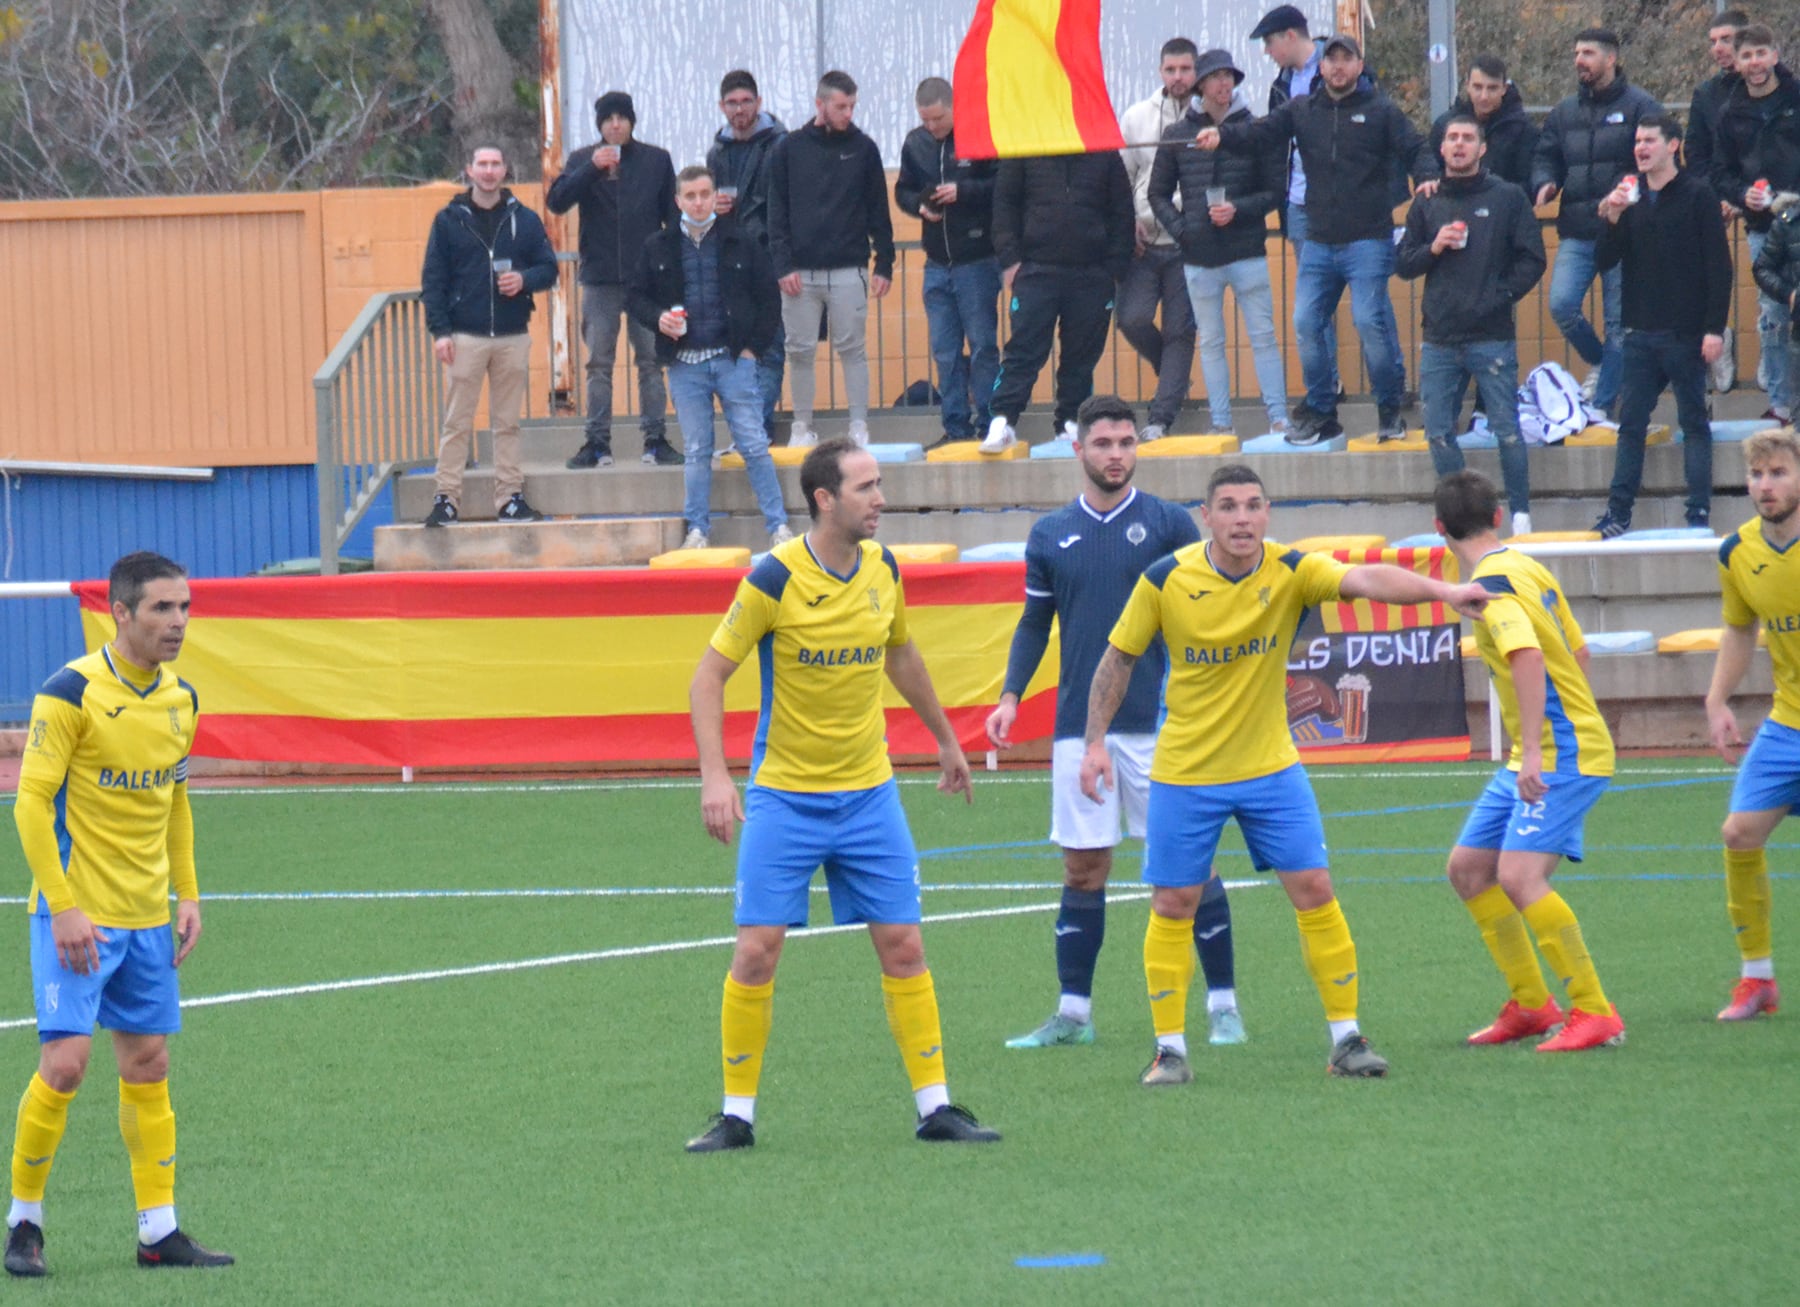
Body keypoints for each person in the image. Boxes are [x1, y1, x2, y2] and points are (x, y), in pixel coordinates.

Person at [1078, 464, 1491, 1084]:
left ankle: (1348, 1040)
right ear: (1208, 517)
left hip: (1271, 768)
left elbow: (1367, 578)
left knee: (1316, 889)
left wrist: (1446, 594)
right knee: (1173, 902)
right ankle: (1170, 1051)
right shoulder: (1165, 579)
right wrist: (1093, 745)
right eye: (1228, 507)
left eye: (1253, 506)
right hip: (1186, 771)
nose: (1242, 518)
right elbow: (1118, 659)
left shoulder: (1292, 569)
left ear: (1266, 514)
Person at [685, 439, 999, 1150]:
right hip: (786, 797)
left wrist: (947, 740)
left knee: (904, 943)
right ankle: (737, 1114)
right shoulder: (772, 578)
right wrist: (715, 773)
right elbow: (708, 677)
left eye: (880, 484)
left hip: (869, 795)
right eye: (866, 487)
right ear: (825, 499)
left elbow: (900, 652)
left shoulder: (884, 568)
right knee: (757, 951)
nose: (880, 498)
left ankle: (936, 1107)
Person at [987, 395, 1243, 1050]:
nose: (1116, 454)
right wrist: (1012, 694)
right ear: (1078, 449)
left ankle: (1222, 1005)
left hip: (1165, 725)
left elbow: (1209, 609)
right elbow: (1034, 623)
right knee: (1082, 868)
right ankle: (1072, 1013)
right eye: (1103, 443)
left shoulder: (1168, 525)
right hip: (1080, 727)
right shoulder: (1049, 534)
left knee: (1189, 866)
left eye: (1126, 442)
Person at [6, 552, 233, 1276]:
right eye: (163, 609)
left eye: (185, 607)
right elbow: (32, 806)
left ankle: (157, 1230)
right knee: (66, 1065)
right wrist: (65, 907)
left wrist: (187, 893)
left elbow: (174, 802)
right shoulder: (68, 692)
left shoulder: (181, 700)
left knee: (149, 1061)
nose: (178, 622)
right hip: (76, 918)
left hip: (145, 919)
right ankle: (24, 1221)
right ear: (121, 613)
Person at [1433, 470, 1627, 1052]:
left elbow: (1525, 654)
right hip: (1547, 746)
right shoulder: (1528, 567)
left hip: (1559, 753)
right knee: (1468, 870)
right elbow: (1578, 651)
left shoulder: (1492, 584)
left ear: (1439, 529)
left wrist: (1545, 747)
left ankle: (1595, 1011)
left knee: (1519, 876)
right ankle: (1531, 1005)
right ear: (1498, 517)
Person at [1198, 34, 1437, 445]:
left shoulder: (1381, 110)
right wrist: (1223, 135)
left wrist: (1429, 175)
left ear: (1360, 66)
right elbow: (1259, 133)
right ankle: (1323, 411)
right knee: (1306, 323)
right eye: (1332, 60)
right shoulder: (1301, 110)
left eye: (1348, 59)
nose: (1339, 67)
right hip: (1318, 241)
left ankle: (1389, 408)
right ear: (1321, 68)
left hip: (1368, 240)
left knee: (1369, 320)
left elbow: (1416, 147)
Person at [629, 165, 791, 551]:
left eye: (705, 194)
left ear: (715, 196)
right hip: (685, 363)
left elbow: (769, 298)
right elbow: (635, 297)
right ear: (678, 201)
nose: (699, 202)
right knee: (697, 450)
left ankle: (779, 526)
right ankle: (698, 530)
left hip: (734, 359)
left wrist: (753, 349)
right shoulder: (657, 246)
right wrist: (659, 319)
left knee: (753, 443)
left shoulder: (742, 240)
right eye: (691, 196)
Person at [1397, 115, 1545, 536]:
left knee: (1507, 430)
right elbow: (1404, 263)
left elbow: (1533, 259)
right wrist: (1434, 247)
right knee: (1439, 432)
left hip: (1492, 335)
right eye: (1451, 139)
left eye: (1467, 138)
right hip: (1440, 337)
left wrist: (1497, 296)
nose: (1459, 145)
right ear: (1440, 149)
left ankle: (1520, 515)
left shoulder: (1507, 197)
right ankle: (1465, 515)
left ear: (1482, 149)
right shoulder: (1426, 200)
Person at [1592, 115, 1732, 536]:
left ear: (1673, 145)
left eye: (1650, 140)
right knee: (1630, 424)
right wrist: (1613, 216)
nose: (1641, 147)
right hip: (1639, 333)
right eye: (1637, 140)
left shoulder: (1697, 194)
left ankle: (1698, 513)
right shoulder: (1629, 194)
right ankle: (1618, 513)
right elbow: (1604, 260)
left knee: (1693, 421)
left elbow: (1719, 267)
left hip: (1684, 333)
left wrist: (1713, 329)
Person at [1704, 428, 1800, 1022]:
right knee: (1739, 834)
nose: (1766, 486)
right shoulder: (1736, 552)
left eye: (1779, 473)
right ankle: (1757, 978)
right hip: (1787, 723)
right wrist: (1717, 700)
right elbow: (1740, 629)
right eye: (1758, 475)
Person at [1149, 48, 1289, 438]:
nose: (1225, 83)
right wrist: (1184, 230)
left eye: (1230, 76)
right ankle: (1221, 424)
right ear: (1201, 86)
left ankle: (1278, 419)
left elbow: (1274, 191)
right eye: (1216, 77)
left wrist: (1238, 210)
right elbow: (1157, 194)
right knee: (1210, 342)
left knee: (1262, 337)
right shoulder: (1178, 134)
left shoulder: (1255, 129)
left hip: (1247, 251)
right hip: (1198, 257)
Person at [419, 144, 559, 528]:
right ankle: (446, 499)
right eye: (482, 164)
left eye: (496, 163)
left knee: (507, 423)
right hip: (465, 336)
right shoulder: (448, 220)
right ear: (469, 170)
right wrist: (441, 332)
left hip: (512, 336)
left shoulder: (525, 220)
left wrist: (525, 279)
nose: (489, 170)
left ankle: (509, 498)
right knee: (457, 422)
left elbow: (549, 268)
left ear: (505, 169)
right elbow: (433, 281)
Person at [1531, 29, 1663, 419]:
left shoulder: (1642, 105)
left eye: (1587, 53)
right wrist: (1544, 182)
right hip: (1577, 227)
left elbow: (1655, 160)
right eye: (1576, 53)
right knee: (1561, 304)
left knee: (1619, 323)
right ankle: (1606, 364)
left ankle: (1603, 406)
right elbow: (1546, 155)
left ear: (1611, 58)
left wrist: (1628, 195)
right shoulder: (1564, 111)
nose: (1579, 60)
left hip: (1625, 231)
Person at [548, 90, 681, 469]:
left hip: (646, 281)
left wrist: (667, 268)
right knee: (598, 363)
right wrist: (591, 168)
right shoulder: (581, 160)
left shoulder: (657, 160)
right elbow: (556, 202)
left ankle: (656, 440)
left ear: (632, 121)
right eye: (608, 119)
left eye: (622, 117)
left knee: (652, 362)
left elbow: (672, 219)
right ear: (599, 125)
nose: (615, 124)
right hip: (600, 278)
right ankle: (596, 443)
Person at [767, 70, 895, 449]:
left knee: (852, 348)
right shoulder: (788, 149)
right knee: (799, 350)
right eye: (841, 106)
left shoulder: (864, 148)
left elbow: (878, 211)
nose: (848, 113)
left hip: (848, 268)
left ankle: (859, 426)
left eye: (852, 106)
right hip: (799, 274)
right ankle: (802, 427)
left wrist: (884, 262)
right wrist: (782, 264)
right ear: (820, 104)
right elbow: (777, 212)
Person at [980, 148, 1134, 452]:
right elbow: (1004, 206)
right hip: (1037, 270)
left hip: (1091, 274)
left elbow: (1121, 211)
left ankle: (1070, 423)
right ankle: (1002, 421)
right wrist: (1010, 260)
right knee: (1023, 351)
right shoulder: (1023, 150)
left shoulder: (1105, 154)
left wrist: (1113, 269)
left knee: (1081, 356)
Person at [894, 77, 1000, 451]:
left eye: (938, 119)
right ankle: (955, 426)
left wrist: (963, 191)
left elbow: (1001, 185)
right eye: (925, 120)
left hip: (977, 259)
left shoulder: (980, 135)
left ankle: (989, 422)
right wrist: (918, 207)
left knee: (984, 344)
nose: (932, 127)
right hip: (936, 260)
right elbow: (903, 190)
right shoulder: (915, 143)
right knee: (944, 349)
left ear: (954, 107)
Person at [1250, 5, 1341, 401]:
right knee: (1312, 303)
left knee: (1369, 307)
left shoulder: (1339, 66)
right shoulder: (1280, 86)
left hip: (1342, 202)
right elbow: (1273, 141)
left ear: (1290, 36)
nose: (1268, 52)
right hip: (1299, 202)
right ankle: (1326, 385)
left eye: (1270, 43)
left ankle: (1386, 392)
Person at [1713, 25, 1800, 424]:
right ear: (1738, 60)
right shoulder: (1729, 111)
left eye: (1761, 54)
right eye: (1747, 56)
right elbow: (1721, 172)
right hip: (1763, 226)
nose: (1755, 63)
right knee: (1773, 315)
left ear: (1775, 55)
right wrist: (1741, 193)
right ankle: (1781, 405)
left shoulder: (1796, 98)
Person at [1116, 37, 1202, 442]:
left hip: (1190, 243)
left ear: (1196, 71)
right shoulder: (1136, 117)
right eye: (1171, 69)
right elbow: (1124, 176)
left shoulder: (1210, 117)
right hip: (1145, 241)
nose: (1179, 77)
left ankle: (1161, 415)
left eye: (1186, 69)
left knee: (1180, 332)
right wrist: (1128, 221)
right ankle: (1170, 374)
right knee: (1131, 318)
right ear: (1160, 71)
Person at [707, 70, 788, 449]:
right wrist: (713, 208)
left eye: (746, 101)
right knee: (737, 349)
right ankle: (750, 428)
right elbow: (701, 205)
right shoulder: (717, 151)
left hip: (772, 258)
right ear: (722, 106)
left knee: (771, 345)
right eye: (732, 103)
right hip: (731, 261)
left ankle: (759, 426)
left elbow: (787, 203)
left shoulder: (779, 145)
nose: (740, 110)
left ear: (759, 102)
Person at [1428, 55, 1540, 190]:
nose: (1484, 96)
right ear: (1467, 86)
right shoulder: (1445, 125)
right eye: (1478, 87)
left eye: (1492, 88)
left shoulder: (1524, 129)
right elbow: (1431, 171)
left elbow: (1528, 184)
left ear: (1504, 88)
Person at [1686, 9, 1750, 191]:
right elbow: (1696, 155)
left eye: (1726, 39)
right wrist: (1718, 196)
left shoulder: (1778, 87)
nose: (1717, 48)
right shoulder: (1705, 94)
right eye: (1713, 42)